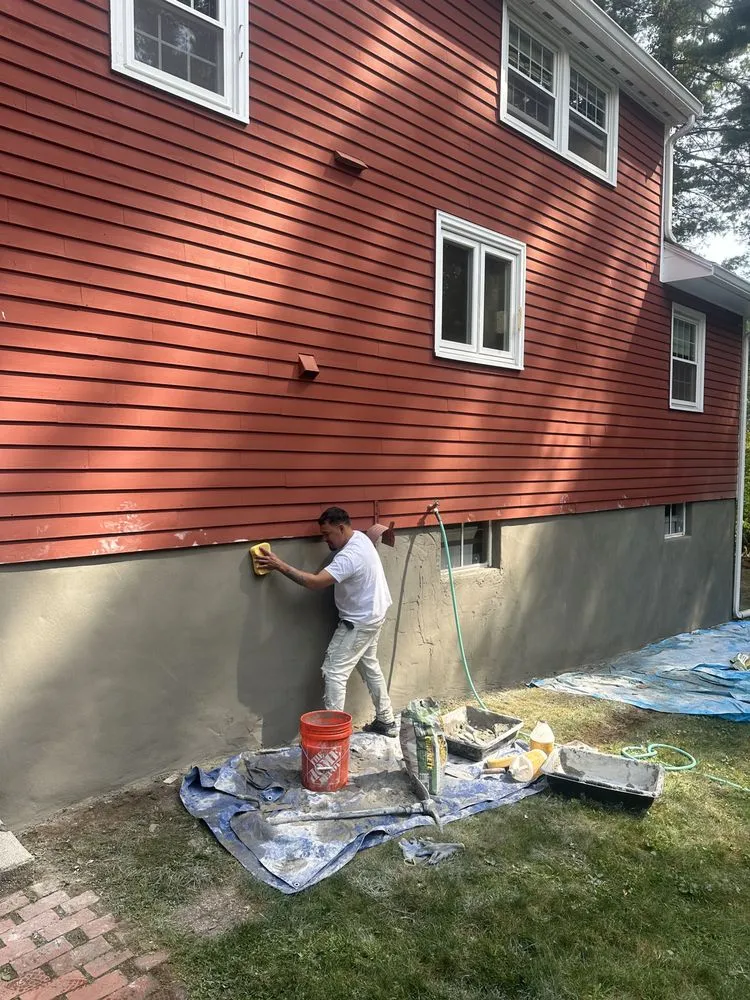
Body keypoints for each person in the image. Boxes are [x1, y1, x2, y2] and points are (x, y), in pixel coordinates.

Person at [255, 507, 397, 737]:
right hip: (373, 615)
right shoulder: (360, 539)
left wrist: (279, 565)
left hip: (359, 622)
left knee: (334, 673)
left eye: (328, 534)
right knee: (370, 666)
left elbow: (314, 582)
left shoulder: (349, 556)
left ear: (341, 528)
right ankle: (387, 720)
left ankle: (334, 737)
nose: (325, 539)